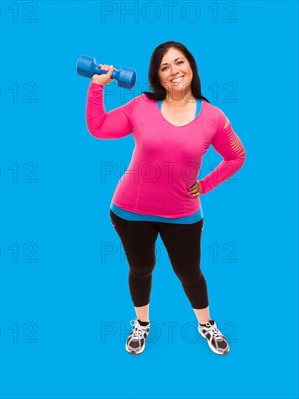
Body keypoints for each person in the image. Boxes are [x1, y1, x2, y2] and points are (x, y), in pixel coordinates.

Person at [85, 41, 246, 355]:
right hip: (130, 210)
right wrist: (96, 86)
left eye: (179, 62)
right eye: (164, 66)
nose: (174, 71)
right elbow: (99, 127)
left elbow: (236, 157)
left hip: (182, 213)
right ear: (157, 77)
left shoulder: (213, 116)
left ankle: (206, 324)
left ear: (191, 66)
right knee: (141, 268)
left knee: (189, 273)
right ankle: (142, 325)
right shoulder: (141, 106)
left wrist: (207, 184)